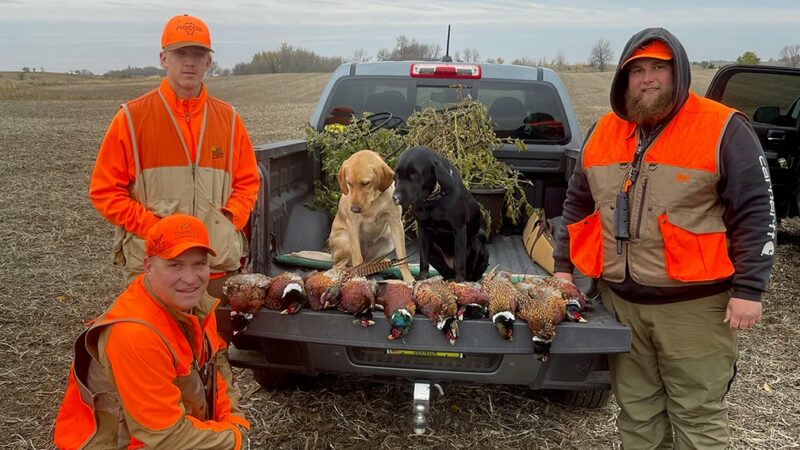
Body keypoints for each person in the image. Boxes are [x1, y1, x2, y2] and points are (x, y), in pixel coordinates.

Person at [553, 28, 775, 449]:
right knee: (636, 413)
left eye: (659, 68)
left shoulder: (722, 128)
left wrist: (750, 289)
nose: (648, 79)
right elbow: (576, 208)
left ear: (679, 73)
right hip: (621, 303)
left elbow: (756, 210)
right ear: (624, 78)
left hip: (694, 308)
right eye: (637, 70)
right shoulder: (603, 131)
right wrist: (564, 269)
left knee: (698, 415)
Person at [89, 14, 260, 298]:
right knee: (155, 341)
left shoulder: (229, 119)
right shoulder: (132, 118)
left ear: (208, 62)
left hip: (214, 266)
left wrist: (227, 222)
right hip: (156, 266)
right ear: (164, 58)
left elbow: (248, 182)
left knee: (213, 341)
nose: (189, 62)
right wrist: (154, 228)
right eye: (181, 53)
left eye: (198, 53)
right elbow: (104, 191)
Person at [54, 214, 250, 449]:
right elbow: (165, 437)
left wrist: (234, 423)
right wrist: (234, 440)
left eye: (199, 264)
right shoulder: (135, 334)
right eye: (175, 265)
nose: (190, 278)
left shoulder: (196, 306)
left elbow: (217, 369)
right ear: (148, 266)